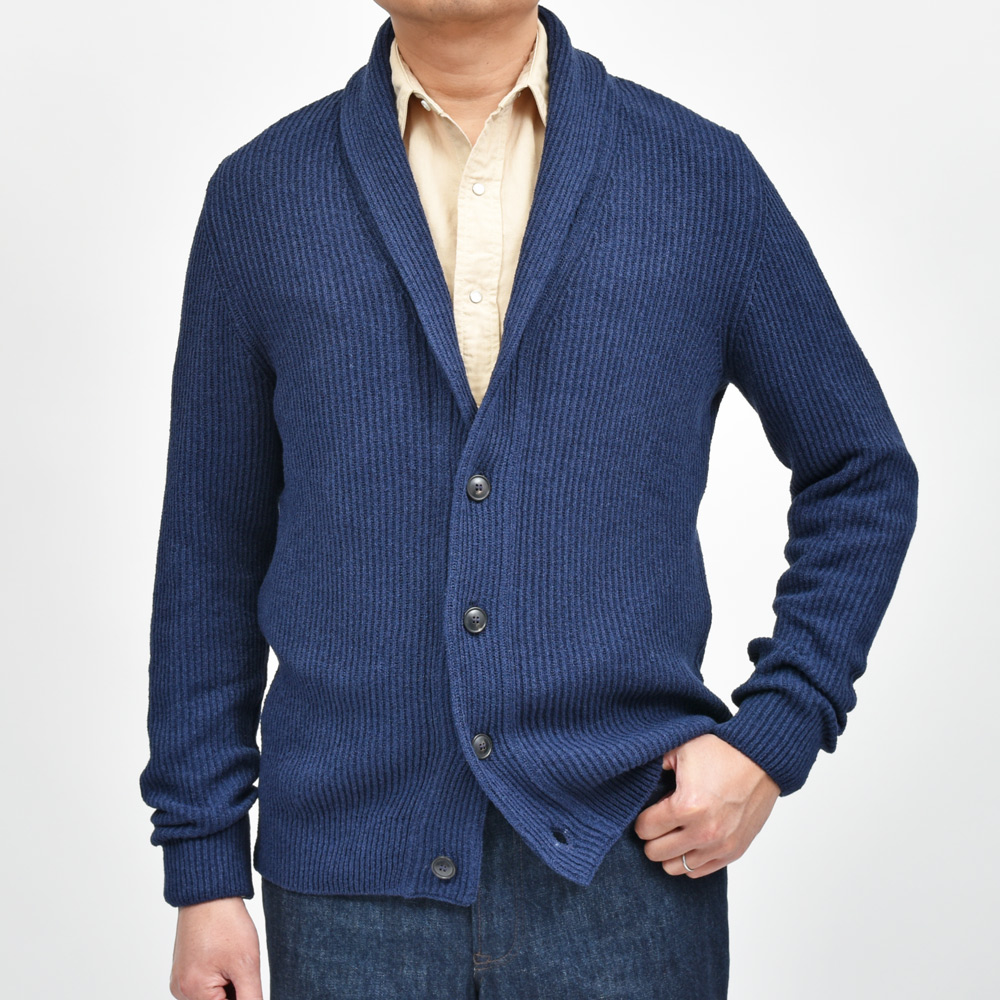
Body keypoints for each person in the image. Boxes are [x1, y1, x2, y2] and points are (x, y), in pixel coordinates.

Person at [139, 3, 919, 998]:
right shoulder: (264, 199)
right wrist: (203, 868)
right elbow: (208, 552)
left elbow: (861, 470)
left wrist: (776, 732)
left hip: (626, 875)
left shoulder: (697, 178)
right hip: (345, 895)